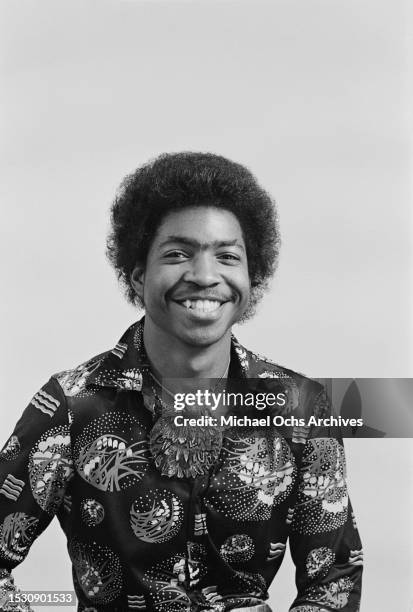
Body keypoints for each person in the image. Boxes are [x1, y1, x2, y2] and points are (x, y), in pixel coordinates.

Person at [0, 152, 362, 611]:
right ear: (137, 275)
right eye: (178, 254)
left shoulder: (301, 406)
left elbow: (334, 578)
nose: (205, 276)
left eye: (227, 256)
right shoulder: (71, 403)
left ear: (252, 278)